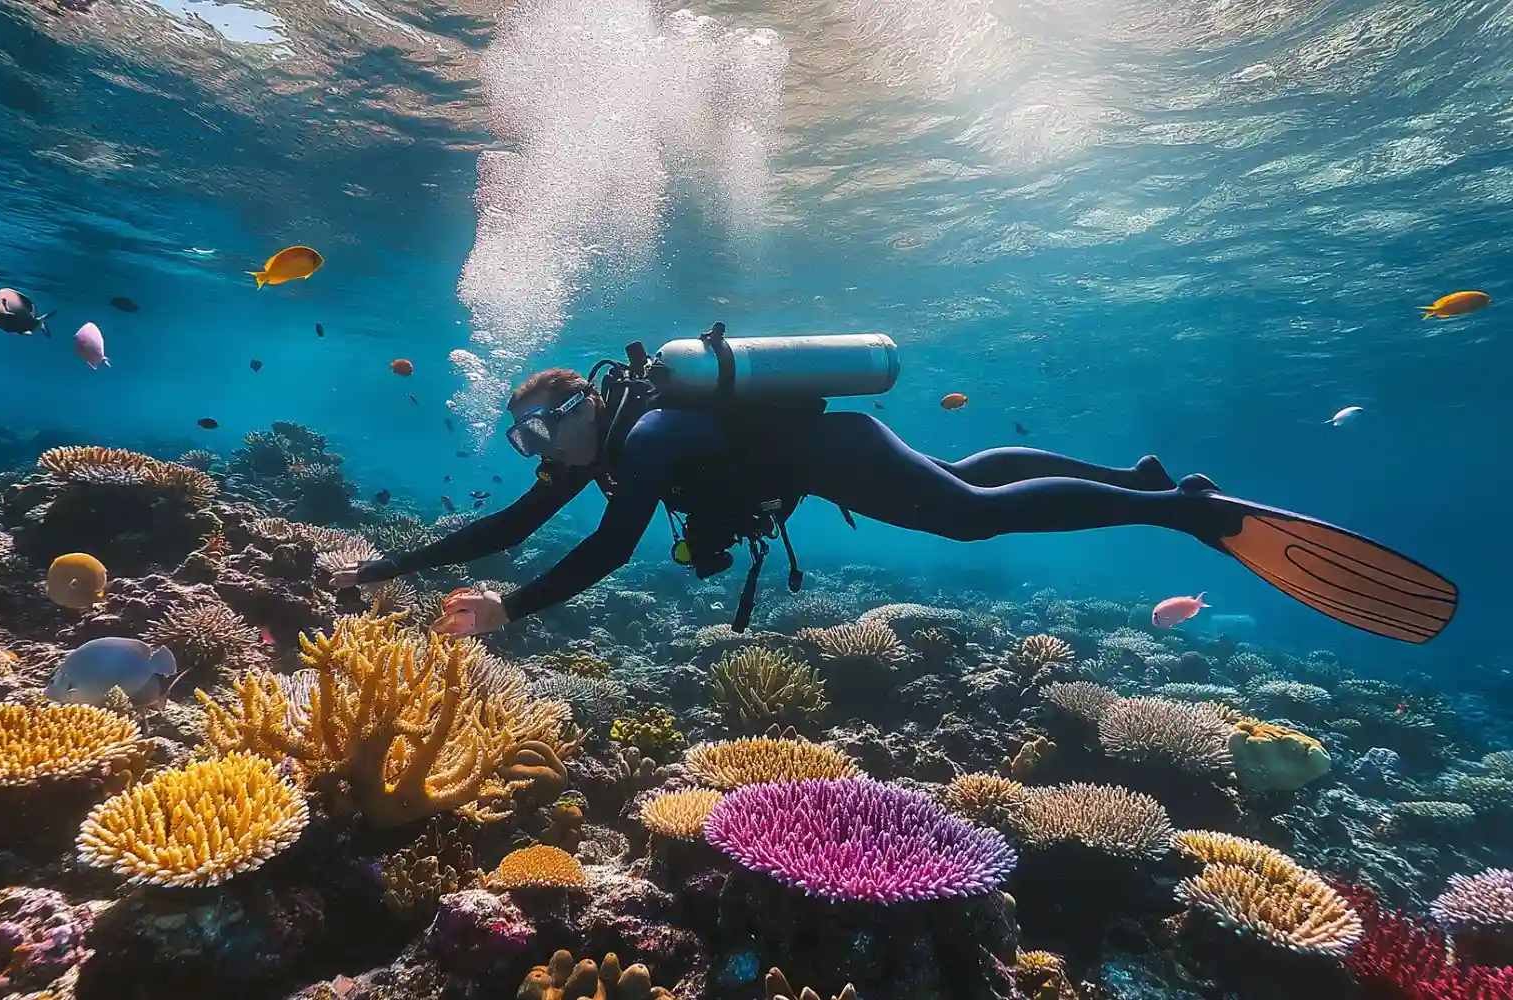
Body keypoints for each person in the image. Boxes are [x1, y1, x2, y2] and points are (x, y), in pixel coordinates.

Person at [332, 366, 1458, 644]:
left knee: (970, 515)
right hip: (834, 451)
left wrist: (510, 614)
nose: (540, 456)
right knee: (965, 480)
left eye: (541, 433)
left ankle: (1188, 515)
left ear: (580, 408)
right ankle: (1135, 482)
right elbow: (512, 529)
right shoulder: (608, 447)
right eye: (528, 445)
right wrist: (390, 571)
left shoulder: (657, 432)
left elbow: (608, 551)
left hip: (829, 452)